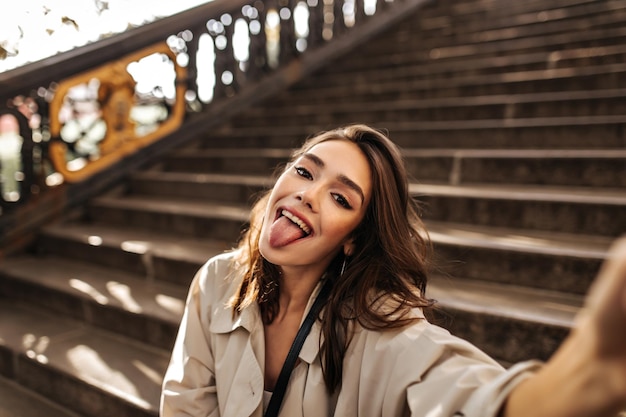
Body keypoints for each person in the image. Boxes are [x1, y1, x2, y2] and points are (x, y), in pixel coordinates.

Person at [160, 124, 626, 417]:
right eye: (305, 172)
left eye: (340, 198)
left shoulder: (378, 325)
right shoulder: (217, 280)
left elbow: (455, 389)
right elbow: (184, 404)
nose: (307, 194)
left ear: (353, 238)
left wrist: (588, 375)